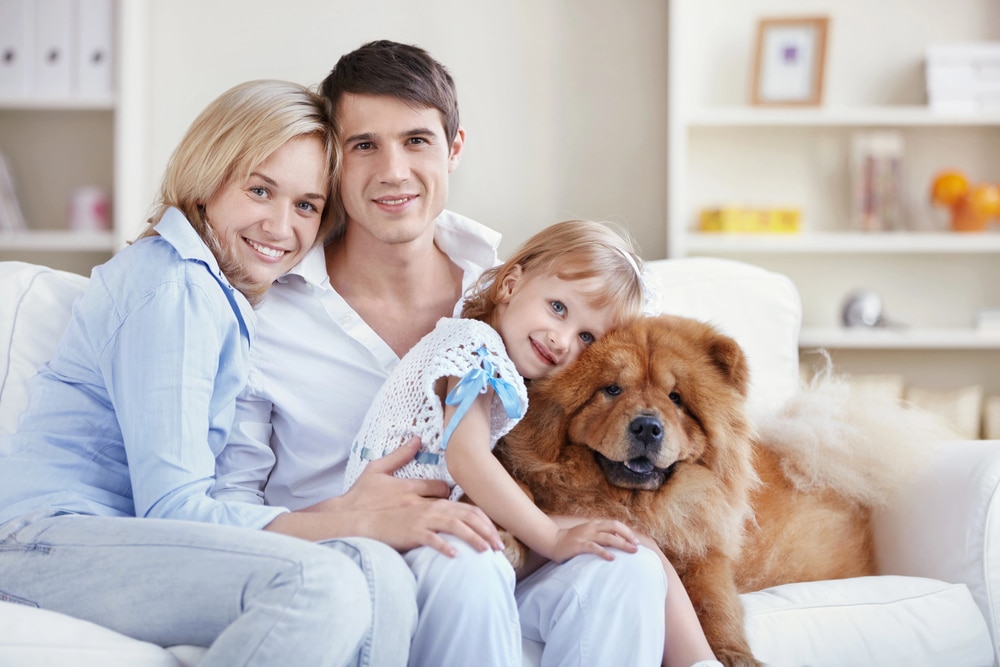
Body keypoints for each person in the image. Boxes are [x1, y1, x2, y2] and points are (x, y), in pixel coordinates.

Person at [216, 40, 711, 666]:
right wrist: (346, 514)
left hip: (496, 550)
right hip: (349, 564)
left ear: (454, 149)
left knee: (624, 565)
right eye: (365, 145)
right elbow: (224, 512)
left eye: (417, 140)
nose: (394, 171)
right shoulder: (265, 309)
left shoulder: (529, 295)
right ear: (334, 162)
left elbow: (639, 358)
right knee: (466, 561)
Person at [0, 79, 413, 667]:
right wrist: (348, 515)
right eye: (260, 189)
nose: (279, 225)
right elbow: (174, 509)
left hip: (97, 544)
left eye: (306, 205)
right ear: (209, 174)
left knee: (378, 571)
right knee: (321, 583)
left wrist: (352, 520)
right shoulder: (174, 284)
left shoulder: (214, 293)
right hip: (41, 543)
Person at [343, 219, 645, 566]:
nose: (561, 341)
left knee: (627, 542)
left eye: (586, 337)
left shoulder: (498, 358)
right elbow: (466, 457)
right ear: (510, 285)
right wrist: (553, 537)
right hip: (386, 534)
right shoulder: (477, 347)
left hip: (412, 527)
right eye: (558, 308)